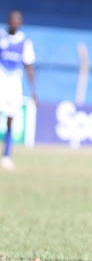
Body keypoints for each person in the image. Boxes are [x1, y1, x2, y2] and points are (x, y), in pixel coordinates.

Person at [0, 10, 37, 171]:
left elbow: (29, 66)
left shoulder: (25, 42)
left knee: (10, 118)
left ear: (20, 23)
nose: (14, 22)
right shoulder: (1, 37)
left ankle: (7, 156)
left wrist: (33, 90)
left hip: (14, 83)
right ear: (8, 21)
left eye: (17, 20)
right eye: (12, 20)